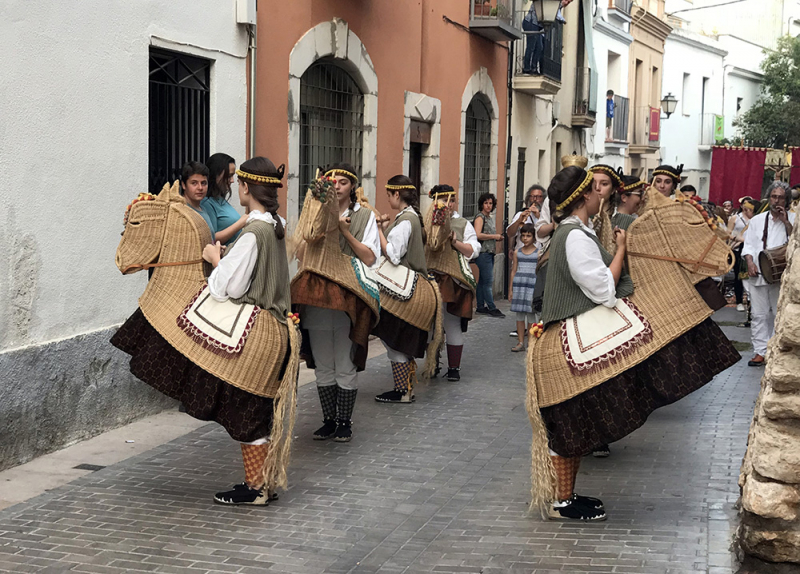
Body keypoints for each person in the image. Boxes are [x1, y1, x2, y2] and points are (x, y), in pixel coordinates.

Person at [527, 166, 739, 521]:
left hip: (571, 335)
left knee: (574, 423)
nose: (601, 196)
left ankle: (566, 497)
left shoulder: (577, 231)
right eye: (595, 191)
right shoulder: (575, 237)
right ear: (583, 198)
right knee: (568, 424)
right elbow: (604, 291)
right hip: (567, 339)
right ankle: (562, 502)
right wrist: (623, 250)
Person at [112, 156, 297, 506]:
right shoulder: (275, 225)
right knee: (255, 411)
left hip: (256, 329)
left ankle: (256, 488)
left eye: (239, 184)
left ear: (244, 187)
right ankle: (262, 484)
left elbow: (225, 286)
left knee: (246, 409)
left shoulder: (253, 234)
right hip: (277, 327)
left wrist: (215, 258)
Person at [300, 163, 380, 442]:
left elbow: (370, 258)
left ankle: (345, 421)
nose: (336, 186)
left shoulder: (365, 217)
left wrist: (343, 231)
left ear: (353, 188)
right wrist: (322, 220)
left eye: (343, 182)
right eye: (332, 181)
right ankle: (328, 420)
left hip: (349, 299)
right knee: (323, 364)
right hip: (318, 298)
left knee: (345, 364)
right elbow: (303, 249)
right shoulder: (313, 212)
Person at [374, 176, 429, 403]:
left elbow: (394, 255)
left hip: (403, 289)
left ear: (397, 195)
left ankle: (402, 391)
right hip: (412, 286)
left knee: (395, 340)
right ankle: (405, 388)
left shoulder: (406, 220)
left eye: (389, 194)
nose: (387, 199)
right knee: (399, 341)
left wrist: (378, 230)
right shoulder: (411, 218)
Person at [425, 185, 481, 381]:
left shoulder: (463, 223)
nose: (448, 204)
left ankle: (454, 368)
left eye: (452, 199)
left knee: (452, 323)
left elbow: (473, 250)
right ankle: (432, 364)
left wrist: (455, 242)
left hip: (452, 281)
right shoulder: (426, 220)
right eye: (444, 199)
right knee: (430, 325)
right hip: (430, 278)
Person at [742, 181, 795, 366]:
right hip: (757, 273)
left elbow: (795, 241)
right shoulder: (757, 220)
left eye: (781, 197)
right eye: (774, 196)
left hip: (780, 276)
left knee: (779, 314)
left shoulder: (794, 219)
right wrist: (749, 262)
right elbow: (748, 245)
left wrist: (786, 221)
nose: (777, 200)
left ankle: (775, 350)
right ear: (768, 198)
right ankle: (760, 352)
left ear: (787, 200)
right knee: (759, 314)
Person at [202, 153, 249, 246]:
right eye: (228, 176)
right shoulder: (206, 203)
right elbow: (211, 239)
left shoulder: (221, 200)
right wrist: (240, 223)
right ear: (216, 175)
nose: (232, 180)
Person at [473, 193, 505, 318]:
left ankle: (480, 306)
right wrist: (494, 236)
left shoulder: (489, 218)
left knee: (482, 281)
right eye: (486, 203)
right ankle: (492, 307)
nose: (488, 206)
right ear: (482, 204)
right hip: (483, 253)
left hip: (489, 252)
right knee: (488, 282)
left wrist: (497, 238)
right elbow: (478, 234)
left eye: (490, 203)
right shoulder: (480, 218)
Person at [509, 223, 538, 352]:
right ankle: (520, 342)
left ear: (534, 237)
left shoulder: (538, 253)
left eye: (529, 236)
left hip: (532, 284)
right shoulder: (517, 252)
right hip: (519, 284)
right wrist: (510, 289)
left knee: (531, 315)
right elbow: (513, 270)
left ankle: (531, 343)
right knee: (519, 315)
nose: (525, 238)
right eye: (523, 236)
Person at [728, 197, 755, 312]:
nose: (747, 206)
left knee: (751, 275)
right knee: (739, 275)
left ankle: (750, 301)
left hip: (752, 248)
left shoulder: (756, 218)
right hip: (738, 248)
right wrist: (737, 237)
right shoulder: (735, 218)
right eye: (745, 204)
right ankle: (739, 301)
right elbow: (728, 232)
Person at [180, 161, 215, 242]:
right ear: (184, 185)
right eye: (194, 183)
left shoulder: (203, 209)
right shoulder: (180, 211)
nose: (200, 188)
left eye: (203, 183)